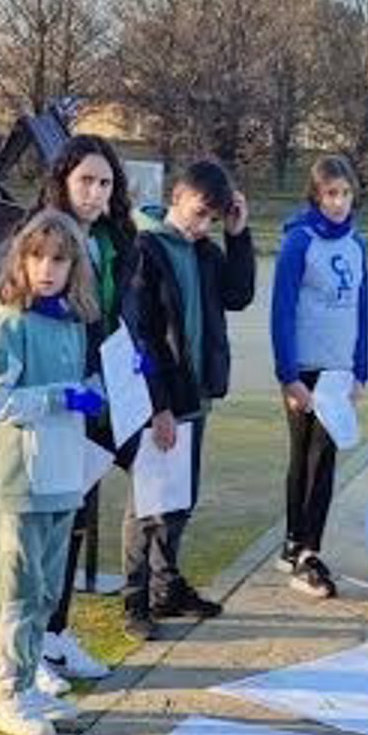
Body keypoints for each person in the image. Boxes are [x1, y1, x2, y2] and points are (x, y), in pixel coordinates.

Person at [0, 211, 106, 735]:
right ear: (21, 261)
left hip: (64, 474)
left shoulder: (73, 323)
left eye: (58, 259)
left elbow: (80, 388)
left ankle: (28, 685)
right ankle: (6, 694)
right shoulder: (13, 321)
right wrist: (59, 398)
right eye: (37, 257)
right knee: (21, 588)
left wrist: (104, 387)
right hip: (24, 478)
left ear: (74, 267)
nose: (47, 269)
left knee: (48, 590)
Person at [118, 159, 256, 639]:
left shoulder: (205, 252)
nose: (203, 226)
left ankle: (167, 586)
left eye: (212, 219)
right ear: (177, 196)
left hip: (195, 393)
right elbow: (141, 333)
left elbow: (238, 295)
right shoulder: (146, 249)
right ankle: (135, 598)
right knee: (148, 503)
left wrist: (238, 235)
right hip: (160, 397)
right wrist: (157, 406)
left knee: (179, 500)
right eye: (199, 214)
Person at [38, 133, 140, 687]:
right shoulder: (42, 237)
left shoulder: (112, 240)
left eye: (105, 183)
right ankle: (33, 646)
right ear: (63, 180)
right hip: (55, 398)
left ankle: (56, 633)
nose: (96, 192)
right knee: (43, 530)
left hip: (101, 394)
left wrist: (128, 357)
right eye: (86, 181)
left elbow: (117, 311)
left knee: (75, 519)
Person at [271, 152, 368, 599]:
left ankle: (304, 546)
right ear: (315, 195)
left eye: (345, 193)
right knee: (306, 457)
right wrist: (288, 374)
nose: (338, 202)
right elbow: (281, 311)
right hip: (305, 369)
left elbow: (362, 309)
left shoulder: (356, 243)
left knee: (323, 458)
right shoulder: (299, 241)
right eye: (331, 193)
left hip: (339, 369)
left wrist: (360, 369)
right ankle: (301, 548)